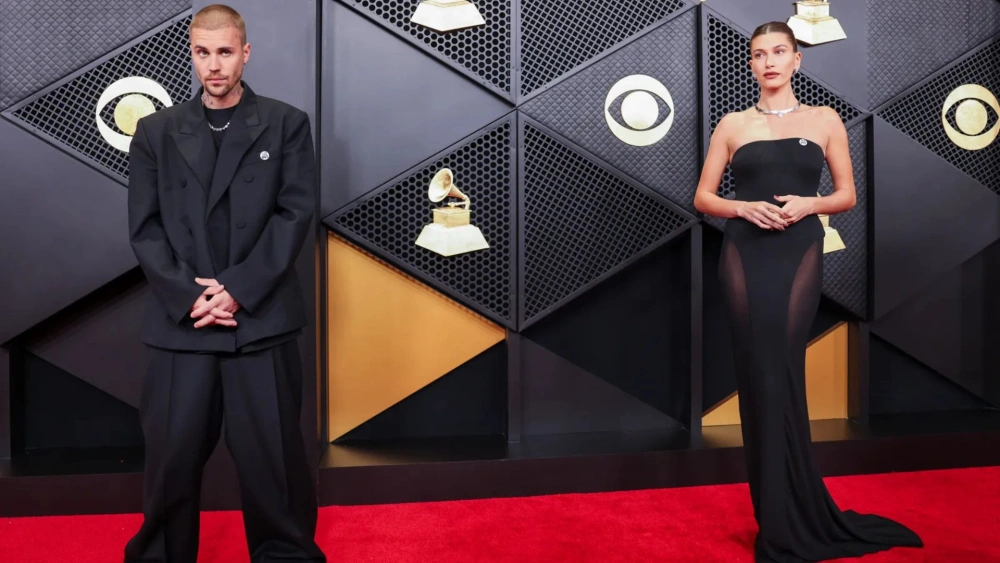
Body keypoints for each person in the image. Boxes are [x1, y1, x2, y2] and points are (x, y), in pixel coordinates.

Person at [693, 21, 923, 562]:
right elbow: (704, 197)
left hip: (797, 250)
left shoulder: (824, 120)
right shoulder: (731, 124)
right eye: (758, 54)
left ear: (797, 60)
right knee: (755, 374)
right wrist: (742, 206)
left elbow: (845, 195)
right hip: (743, 254)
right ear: (750, 65)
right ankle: (775, 517)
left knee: (782, 372)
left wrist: (807, 204)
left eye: (779, 52)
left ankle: (799, 507)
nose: (769, 61)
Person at [123, 4, 325, 562]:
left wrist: (236, 288)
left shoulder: (286, 124)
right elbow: (145, 230)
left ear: (245, 52)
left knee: (274, 466)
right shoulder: (155, 132)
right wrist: (194, 298)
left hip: (259, 319)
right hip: (181, 324)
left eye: (225, 52)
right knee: (170, 463)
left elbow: (294, 216)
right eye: (203, 52)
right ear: (192, 54)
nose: (214, 65)